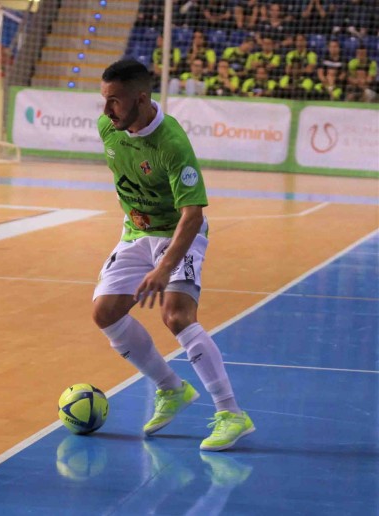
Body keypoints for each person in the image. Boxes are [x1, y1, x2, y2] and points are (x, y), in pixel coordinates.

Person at [95, 59, 255, 452]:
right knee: (105, 312)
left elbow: (193, 214)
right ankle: (171, 389)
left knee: (177, 316)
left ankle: (232, 413)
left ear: (142, 99)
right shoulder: (108, 129)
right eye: (104, 100)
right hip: (136, 233)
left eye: (114, 101)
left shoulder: (172, 144)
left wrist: (164, 267)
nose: (105, 111)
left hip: (179, 233)